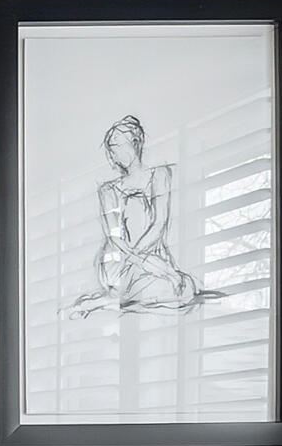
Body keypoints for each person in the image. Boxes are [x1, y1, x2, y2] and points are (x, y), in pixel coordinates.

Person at [67, 114, 206, 317]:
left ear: (135, 143)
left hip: (151, 258)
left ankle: (104, 302)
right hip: (120, 262)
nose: (113, 155)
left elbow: (159, 224)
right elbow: (115, 238)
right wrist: (150, 266)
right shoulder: (108, 190)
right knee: (173, 289)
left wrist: (151, 264)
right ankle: (110, 299)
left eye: (116, 146)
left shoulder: (160, 175)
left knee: (184, 291)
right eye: (110, 149)